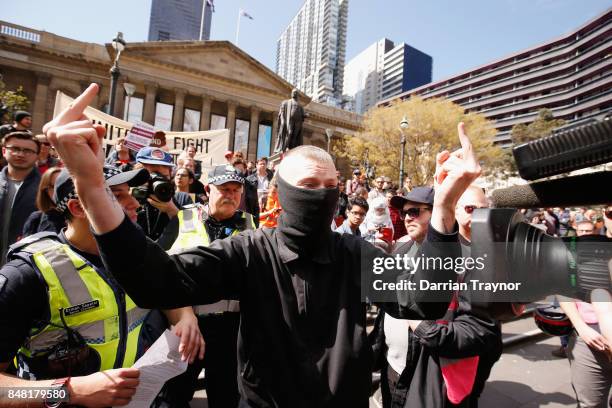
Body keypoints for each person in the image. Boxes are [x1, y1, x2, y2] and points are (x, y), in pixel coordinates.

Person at [43, 83, 482, 407]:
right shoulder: (249, 251)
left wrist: (444, 206)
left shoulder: (355, 253)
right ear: (281, 193)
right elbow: (157, 281)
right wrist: (91, 184)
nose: (323, 193)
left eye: (331, 186)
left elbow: (422, 300)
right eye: (309, 185)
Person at [0, 166, 204, 408]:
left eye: (130, 194)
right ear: (77, 208)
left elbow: (168, 291)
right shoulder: (25, 276)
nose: (135, 205)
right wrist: (70, 391)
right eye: (115, 196)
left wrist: (184, 315)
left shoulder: (141, 253)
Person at [372, 185, 502, 407]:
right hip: (393, 370)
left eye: (415, 212)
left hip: (432, 380)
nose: (406, 218)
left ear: (439, 212)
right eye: (404, 213)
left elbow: (485, 335)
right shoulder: (401, 249)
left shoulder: (473, 261)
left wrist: (424, 328)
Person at [165, 164, 256, 408]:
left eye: (236, 191)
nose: (231, 195)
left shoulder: (252, 226)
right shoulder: (182, 219)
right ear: (207, 190)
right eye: (224, 189)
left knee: (226, 398)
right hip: (186, 326)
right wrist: (181, 314)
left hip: (231, 330)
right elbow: (161, 273)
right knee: (174, 395)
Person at [134, 146, 193, 244]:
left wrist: (173, 211)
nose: (158, 181)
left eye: (163, 177)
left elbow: (192, 229)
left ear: (170, 175)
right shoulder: (129, 200)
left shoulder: (183, 198)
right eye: (153, 176)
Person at [1, 131, 41, 264]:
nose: (20, 154)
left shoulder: (46, 189)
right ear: (4, 151)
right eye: (15, 149)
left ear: (37, 156)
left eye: (28, 151)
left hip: (24, 264)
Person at [22, 166, 65, 236]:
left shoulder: (82, 217)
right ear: (45, 191)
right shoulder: (36, 219)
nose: (58, 190)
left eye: (62, 185)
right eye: (53, 186)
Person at [232, 157, 260, 225]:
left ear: (245, 170)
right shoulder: (228, 185)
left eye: (240, 170)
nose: (238, 172)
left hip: (247, 219)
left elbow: (255, 207)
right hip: (230, 218)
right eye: (235, 170)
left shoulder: (251, 186)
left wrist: (256, 224)